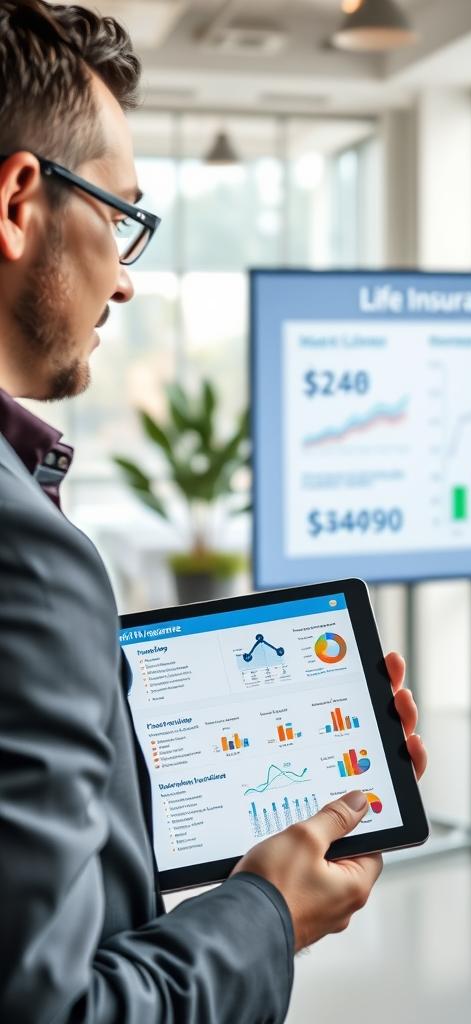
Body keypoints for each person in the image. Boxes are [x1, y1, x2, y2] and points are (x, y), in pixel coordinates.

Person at [0, 2, 427, 1021]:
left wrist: (124, 783)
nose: (125, 282)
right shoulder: (29, 556)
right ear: (21, 200)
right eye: (120, 214)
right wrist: (266, 907)